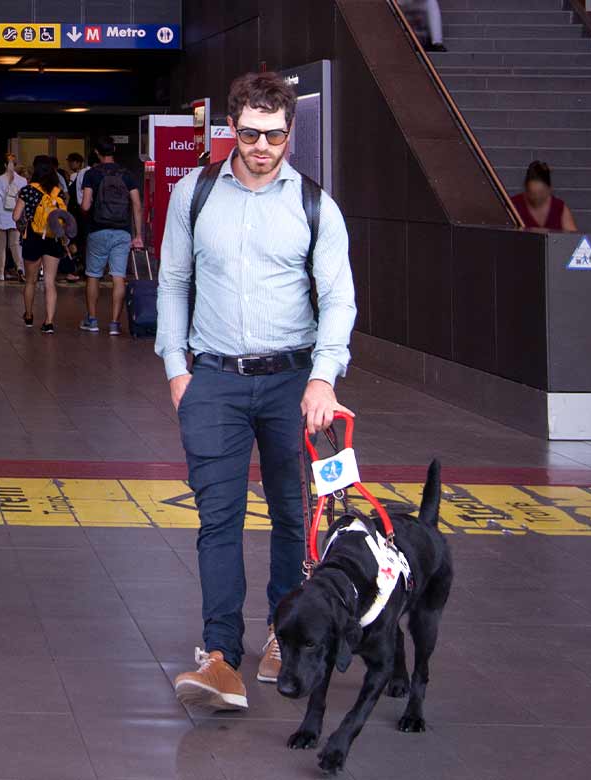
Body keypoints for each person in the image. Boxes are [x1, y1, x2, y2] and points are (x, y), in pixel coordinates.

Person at [160, 71, 356, 713]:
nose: (262, 146)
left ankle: (280, 633)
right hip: (212, 379)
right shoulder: (195, 194)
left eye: (274, 135)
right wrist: (176, 368)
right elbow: (172, 283)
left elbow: (338, 300)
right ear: (232, 130)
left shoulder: (316, 206)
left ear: (290, 133)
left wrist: (324, 376)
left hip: (293, 383)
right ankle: (220, 654)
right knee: (218, 516)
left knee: (292, 516)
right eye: (249, 134)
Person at [78, 138, 144, 335]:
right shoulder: (127, 175)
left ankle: (92, 320)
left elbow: (86, 206)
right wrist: (138, 234)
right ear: (114, 150)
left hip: (98, 230)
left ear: (97, 152)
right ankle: (115, 323)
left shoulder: (92, 174)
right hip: (122, 232)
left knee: (93, 275)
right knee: (118, 277)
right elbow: (137, 205)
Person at [13, 155, 68, 334]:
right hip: (53, 238)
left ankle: (29, 315)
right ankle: (49, 322)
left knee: (31, 281)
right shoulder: (58, 192)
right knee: (50, 282)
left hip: (33, 238)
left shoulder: (27, 190)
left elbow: (15, 216)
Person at [510, 160, 578, 233]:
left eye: (541, 193)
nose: (536, 197)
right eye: (532, 193)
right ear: (526, 189)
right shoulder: (514, 205)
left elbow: (573, 239)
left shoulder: (559, 207)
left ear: (550, 189)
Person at [0, 155, 27, 281]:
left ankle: (1, 273)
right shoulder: (22, 181)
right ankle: (20, 268)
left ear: (5, 165)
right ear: (15, 165)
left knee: (1, 245)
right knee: (15, 244)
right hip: (15, 214)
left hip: (1, 215)